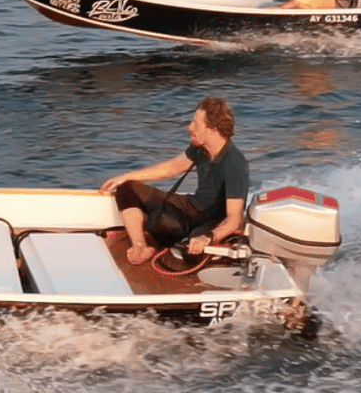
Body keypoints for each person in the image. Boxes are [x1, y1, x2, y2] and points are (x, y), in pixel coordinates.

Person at [99, 96, 250, 266]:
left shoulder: (234, 163)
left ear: (212, 129)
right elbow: (170, 168)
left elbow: (234, 217)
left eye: (196, 124)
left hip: (211, 221)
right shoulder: (200, 148)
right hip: (190, 208)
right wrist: (125, 177)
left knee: (190, 253)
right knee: (127, 189)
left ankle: (168, 233)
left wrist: (208, 237)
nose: (190, 128)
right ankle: (140, 246)